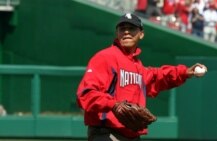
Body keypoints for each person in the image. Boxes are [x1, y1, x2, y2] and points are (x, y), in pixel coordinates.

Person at [76, 13, 208, 141]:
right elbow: (85, 94)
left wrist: (185, 72)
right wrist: (113, 104)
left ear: (141, 34)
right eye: (122, 29)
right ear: (117, 33)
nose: (126, 32)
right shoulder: (105, 57)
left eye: (131, 28)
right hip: (107, 133)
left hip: (132, 135)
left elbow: (158, 76)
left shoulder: (138, 66)